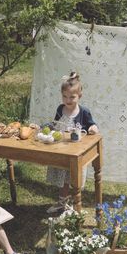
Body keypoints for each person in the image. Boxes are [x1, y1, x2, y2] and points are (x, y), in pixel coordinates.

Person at [46, 72, 99, 213]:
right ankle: (62, 202)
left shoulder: (83, 112)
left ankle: (76, 207)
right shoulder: (60, 109)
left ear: (79, 96)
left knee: (73, 180)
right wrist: (46, 127)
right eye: (65, 96)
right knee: (62, 178)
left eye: (72, 97)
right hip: (62, 151)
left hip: (76, 153)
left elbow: (92, 126)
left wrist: (93, 128)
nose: (68, 100)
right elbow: (55, 124)